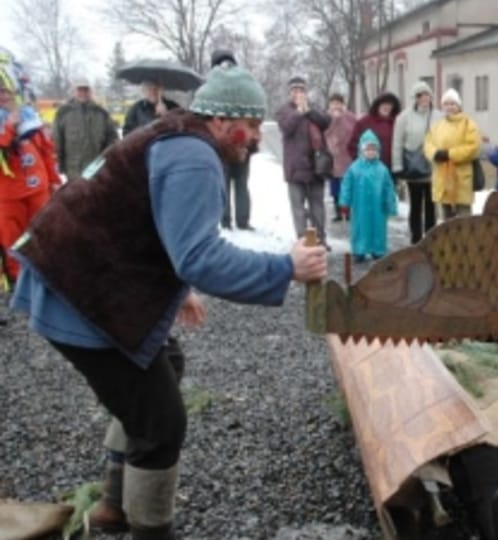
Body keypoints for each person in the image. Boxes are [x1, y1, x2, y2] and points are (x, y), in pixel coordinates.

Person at [9, 65, 328, 540]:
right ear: (220, 122)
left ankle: (116, 505)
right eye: (245, 126)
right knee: (162, 423)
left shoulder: (174, 134)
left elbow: (158, 227)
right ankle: (151, 531)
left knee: (165, 362)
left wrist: (182, 289)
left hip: (78, 276)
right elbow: (198, 254)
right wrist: (285, 268)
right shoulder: (193, 156)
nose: (252, 140)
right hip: (78, 291)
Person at [1, 62, 60, 287]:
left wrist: (54, 182)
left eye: (6, 91)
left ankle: (45, 278)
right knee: (12, 241)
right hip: (8, 195)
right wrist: (8, 129)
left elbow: (47, 152)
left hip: (38, 190)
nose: (4, 96)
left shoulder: (29, 118)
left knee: (42, 234)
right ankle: (18, 284)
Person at [276, 76, 332, 242]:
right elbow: (286, 128)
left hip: (317, 166)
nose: (298, 93)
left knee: (317, 206)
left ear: (306, 93)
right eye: (295, 90)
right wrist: (299, 112)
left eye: (302, 90)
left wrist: (309, 111)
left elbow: (326, 121)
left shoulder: (314, 107)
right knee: (298, 208)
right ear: (289, 93)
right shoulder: (284, 111)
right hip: (295, 167)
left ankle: (320, 238)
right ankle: (303, 240)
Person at [210, 49, 256, 231]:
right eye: (221, 65)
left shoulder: (244, 90)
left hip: (242, 143)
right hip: (221, 144)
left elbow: (253, 115)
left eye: (229, 64)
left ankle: (242, 221)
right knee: (223, 183)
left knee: (241, 183)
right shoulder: (210, 92)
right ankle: (225, 220)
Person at [339, 130, 398, 262]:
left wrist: (390, 204)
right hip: (360, 206)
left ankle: (378, 250)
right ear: (361, 150)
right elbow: (346, 186)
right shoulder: (354, 168)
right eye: (367, 149)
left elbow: (388, 187)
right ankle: (359, 250)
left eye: (373, 149)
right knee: (360, 227)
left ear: (377, 150)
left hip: (378, 206)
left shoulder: (382, 169)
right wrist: (345, 203)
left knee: (378, 228)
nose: (370, 152)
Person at [423, 88, 481, 220]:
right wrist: (435, 154)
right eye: (446, 104)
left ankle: (465, 241)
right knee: (446, 219)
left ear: (459, 106)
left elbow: (472, 147)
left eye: (452, 104)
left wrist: (450, 154)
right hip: (442, 179)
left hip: (461, 179)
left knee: (464, 219)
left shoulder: (468, 124)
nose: (449, 107)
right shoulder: (437, 126)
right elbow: (427, 143)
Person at [392, 81, 439, 242]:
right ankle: (416, 238)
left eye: (427, 94)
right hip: (414, 168)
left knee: (432, 206)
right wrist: (397, 166)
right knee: (416, 205)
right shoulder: (403, 118)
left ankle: (431, 238)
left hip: (434, 168)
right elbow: (397, 143)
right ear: (415, 97)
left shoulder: (438, 115)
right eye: (420, 95)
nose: (424, 98)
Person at [53, 77, 119, 182]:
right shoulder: (64, 113)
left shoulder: (101, 113)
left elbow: (113, 138)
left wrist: (106, 160)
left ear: (91, 91)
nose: (83, 93)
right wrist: (60, 167)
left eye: (86, 89)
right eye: (80, 90)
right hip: (74, 171)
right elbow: (57, 141)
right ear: (74, 91)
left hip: (97, 170)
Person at [348, 92, 401, 174]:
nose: (386, 107)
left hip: (391, 169)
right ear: (377, 105)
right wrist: (361, 163)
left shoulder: (397, 122)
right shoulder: (364, 122)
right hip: (370, 169)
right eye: (383, 104)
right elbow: (352, 145)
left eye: (390, 104)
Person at [325, 93, 357, 223]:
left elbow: (354, 131)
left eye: (338, 103)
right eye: (333, 103)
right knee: (335, 188)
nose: (336, 106)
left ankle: (347, 212)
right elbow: (324, 132)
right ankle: (338, 212)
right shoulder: (326, 117)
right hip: (332, 157)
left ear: (343, 104)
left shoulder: (350, 117)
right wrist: (334, 120)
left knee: (347, 186)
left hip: (347, 156)